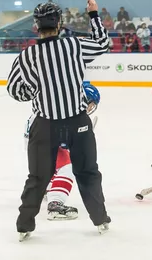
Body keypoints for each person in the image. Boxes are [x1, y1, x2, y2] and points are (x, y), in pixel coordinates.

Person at [6, 0, 110, 242]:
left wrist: (33, 90)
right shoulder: (74, 45)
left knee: (38, 176)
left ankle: (24, 225)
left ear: (36, 25)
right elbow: (103, 44)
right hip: (78, 123)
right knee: (87, 172)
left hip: (45, 125)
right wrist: (93, 15)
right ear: (59, 23)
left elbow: (14, 89)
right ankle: (100, 218)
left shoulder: (27, 55)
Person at [23, 81, 101, 221]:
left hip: (34, 140)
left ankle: (49, 189)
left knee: (47, 169)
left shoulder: (56, 106)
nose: (90, 108)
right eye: (91, 103)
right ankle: (55, 204)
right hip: (43, 140)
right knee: (67, 167)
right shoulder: (67, 114)